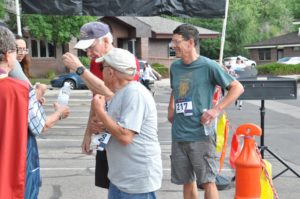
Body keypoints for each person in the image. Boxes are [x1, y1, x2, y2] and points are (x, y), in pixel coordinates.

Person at [64, 47, 163, 198]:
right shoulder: (119, 93)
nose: (100, 72)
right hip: (119, 178)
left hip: (137, 181)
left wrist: (101, 112)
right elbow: (118, 126)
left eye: (102, 67)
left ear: (110, 72)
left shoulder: (134, 93)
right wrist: (101, 127)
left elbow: (125, 137)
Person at [167, 24, 244, 199]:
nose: (173, 46)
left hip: (201, 133)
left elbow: (237, 88)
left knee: (208, 181)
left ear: (191, 42)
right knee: (187, 180)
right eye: (172, 41)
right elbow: (175, 89)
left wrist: (216, 110)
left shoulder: (208, 66)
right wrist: (171, 108)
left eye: (176, 42)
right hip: (179, 132)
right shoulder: (176, 67)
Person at [64, 21, 141, 189]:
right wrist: (87, 133)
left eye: (91, 46)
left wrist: (80, 70)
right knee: (110, 184)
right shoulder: (95, 63)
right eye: (86, 48)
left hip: (123, 132)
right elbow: (97, 97)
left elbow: (113, 94)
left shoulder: (125, 61)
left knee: (125, 185)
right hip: (104, 133)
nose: (88, 52)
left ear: (106, 41)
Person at [0, 26, 70, 199]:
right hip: (13, 176)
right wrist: (59, 112)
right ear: (9, 54)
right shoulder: (20, 89)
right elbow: (40, 125)